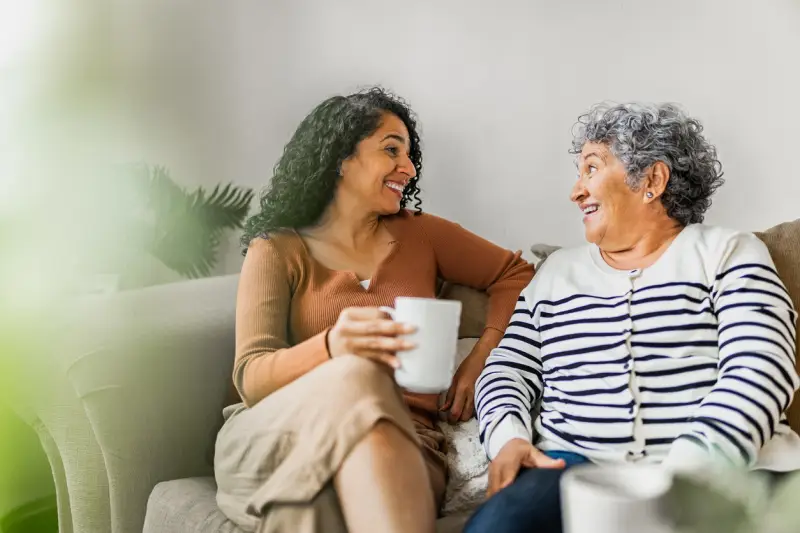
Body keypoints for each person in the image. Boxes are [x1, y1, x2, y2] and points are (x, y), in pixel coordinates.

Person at [467, 102, 800, 533]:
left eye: (591, 169)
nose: (576, 191)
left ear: (652, 180)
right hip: (572, 468)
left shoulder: (726, 251)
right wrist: (507, 437)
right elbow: (507, 370)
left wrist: (693, 466)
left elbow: (762, 366)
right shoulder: (556, 274)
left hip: (729, 469)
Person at [213, 87, 534, 533]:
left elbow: (516, 275)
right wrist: (333, 347)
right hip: (285, 430)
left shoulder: (423, 236)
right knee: (358, 373)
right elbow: (251, 376)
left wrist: (482, 358)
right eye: (391, 150)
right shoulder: (276, 250)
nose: (409, 167)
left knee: (310, 511)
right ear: (342, 159)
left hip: (408, 441)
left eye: (409, 153)